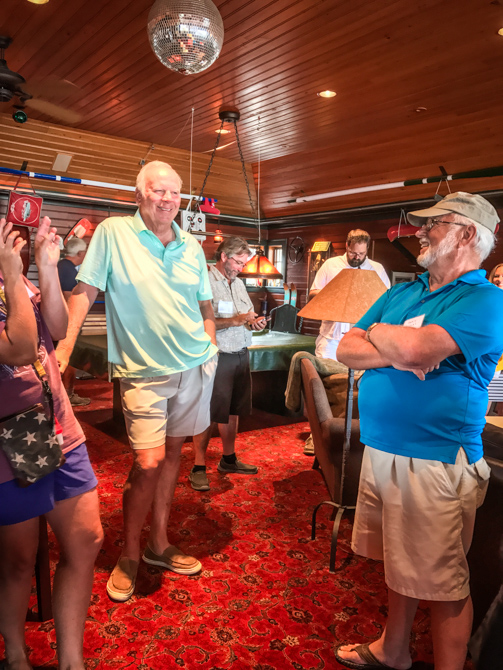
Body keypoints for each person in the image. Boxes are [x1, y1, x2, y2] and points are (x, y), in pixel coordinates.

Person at [334, 192, 503, 670]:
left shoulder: (487, 301)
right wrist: (403, 349)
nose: (422, 232)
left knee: (444, 582)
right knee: (400, 563)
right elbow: (347, 347)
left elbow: (415, 350)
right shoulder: (404, 291)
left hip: (436, 458)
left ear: (467, 234)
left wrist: (389, 341)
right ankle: (394, 650)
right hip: (381, 448)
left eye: (436, 224)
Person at [56, 160, 218, 603]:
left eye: (173, 193)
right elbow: (84, 291)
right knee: (146, 463)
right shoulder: (113, 232)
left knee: (171, 458)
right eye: (157, 191)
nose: (167, 199)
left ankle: (158, 544)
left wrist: (211, 344)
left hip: (194, 366)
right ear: (138, 195)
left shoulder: (191, 246)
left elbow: (205, 305)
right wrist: (64, 350)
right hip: (143, 373)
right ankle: (129, 553)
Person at [0, 217, 103, 670]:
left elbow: (56, 330)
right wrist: (9, 270)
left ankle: (71, 661)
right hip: (10, 438)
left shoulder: (17, 274)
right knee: (19, 561)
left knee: (87, 540)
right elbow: (21, 347)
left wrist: (44, 264)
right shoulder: (7, 272)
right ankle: (17, 654)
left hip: (58, 423)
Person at [190, 237, 267, 491]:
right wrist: (236, 320)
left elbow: (246, 316)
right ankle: (198, 466)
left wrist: (253, 322)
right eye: (238, 262)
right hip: (217, 356)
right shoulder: (206, 281)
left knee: (233, 411)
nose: (242, 267)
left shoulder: (240, 285)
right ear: (223, 256)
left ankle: (228, 459)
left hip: (240, 354)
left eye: (244, 263)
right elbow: (202, 321)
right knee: (209, 413)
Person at [309, 229, 390, 361]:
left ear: (367, 249)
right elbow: (312, 295)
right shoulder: (330, 265)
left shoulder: (377, 269)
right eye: (352, 253)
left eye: (361, 253)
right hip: (331, 339)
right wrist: (336, 292)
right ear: (347, 245)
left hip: (362, 339)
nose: (356, 257)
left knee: (357, 380)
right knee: (324, 378)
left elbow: (387, 301)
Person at [57, 237, 90, 406]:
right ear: (80, 253)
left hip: (59, 322)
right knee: (69, 358)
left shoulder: (62, 266)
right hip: (65, 324)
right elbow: (70, 297)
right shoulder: (68, 270)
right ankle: (67, 396)